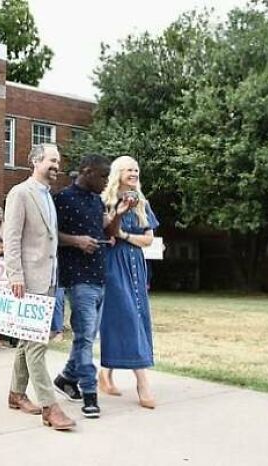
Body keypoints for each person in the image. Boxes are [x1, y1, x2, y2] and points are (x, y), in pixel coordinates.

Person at [52, 154, 130, 419]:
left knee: (87, 336)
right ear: (86, 172)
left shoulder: (96, 201)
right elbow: (51, 235)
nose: (105, 182)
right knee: (84, 336)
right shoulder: (62, 199)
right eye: (102, 176)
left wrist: (118, 215)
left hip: (99, 275)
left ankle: (66, 378)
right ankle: (89, 393)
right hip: (77, 277)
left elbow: (107, 232)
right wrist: (77, 241)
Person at [4, 144, 75, 431]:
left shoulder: (48, 197)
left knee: (27, 339)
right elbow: (11, 238)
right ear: (35, 161)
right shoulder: (21, 193)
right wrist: (15, 276)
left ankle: (15, 394)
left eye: (58, 160)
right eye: (51, 160)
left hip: (50, 279)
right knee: (37, 344)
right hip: (29, 280)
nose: (56, 165)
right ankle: (50, 406)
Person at [99, 155, 159, 409]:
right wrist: (120, 231)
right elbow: (105, 232)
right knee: (123, 317)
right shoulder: (106, 201)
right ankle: (142, 381)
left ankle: (106, 371)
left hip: (136, 264)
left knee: (137, 316)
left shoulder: (141, 203)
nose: (134, 173)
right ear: (117, 173)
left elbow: (148, 239)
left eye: (136, 169)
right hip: (113, 264)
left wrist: (123, 234)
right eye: (128, 169)